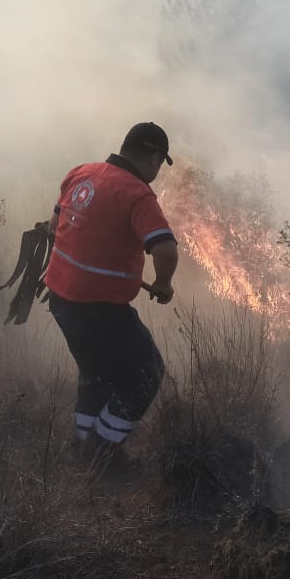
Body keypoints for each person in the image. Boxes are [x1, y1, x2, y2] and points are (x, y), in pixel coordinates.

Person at [44, 122, 179, 475]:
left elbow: (51, 227)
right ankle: (103, 453)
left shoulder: (82, 173)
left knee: (95, 371)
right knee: (147, 374)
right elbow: (164, 248)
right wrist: (164, 284)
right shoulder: (137, 194)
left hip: (62, 302)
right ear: (153, 157)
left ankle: (80, 444)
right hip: (100, 311)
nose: (156, 173)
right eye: (158, 164)